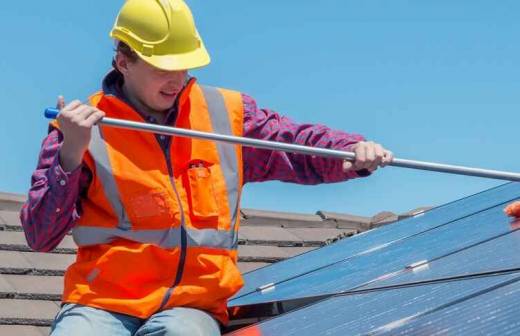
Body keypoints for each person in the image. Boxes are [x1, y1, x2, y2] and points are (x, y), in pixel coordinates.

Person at [20, 0, 393, 335]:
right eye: (162, 67)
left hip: (192, 305)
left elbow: (292, 144)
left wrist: (349, 152)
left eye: (183, 65)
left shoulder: (225, 115)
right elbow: (40, 235)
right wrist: (71, 153)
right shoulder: (81, 128)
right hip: (102, 305)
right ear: (123, 62)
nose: (176, 78)